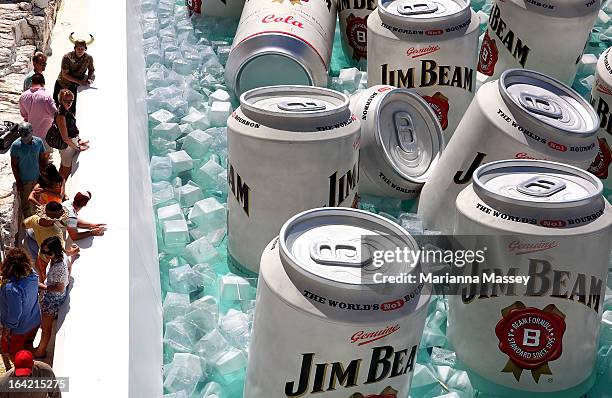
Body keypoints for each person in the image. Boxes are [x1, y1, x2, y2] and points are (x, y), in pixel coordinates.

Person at [0, 248, 41, 361]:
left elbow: (15, 313)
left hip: (19, 329)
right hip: (35, 321)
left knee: (15, 354)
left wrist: (7, 330)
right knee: (27, 346)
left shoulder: (12, 289)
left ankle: (18, 372)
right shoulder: (32, 274)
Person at [34, 237, 70, 359]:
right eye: (44, 252)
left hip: (52, 301)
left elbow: (60, 288)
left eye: (49, 252)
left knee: (46, 328)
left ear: (56, 251)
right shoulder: (57, 257)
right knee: (44, 325)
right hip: (49, 296)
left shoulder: (59, 267)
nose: (46, 255)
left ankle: (40, 352)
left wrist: (43, 287)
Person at [23, 202, 77, 282]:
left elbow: (23, 225)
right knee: (48, 282)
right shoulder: (56, 232)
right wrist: (73, 251)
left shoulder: (34, 219)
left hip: (40, 257)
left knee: (41, 277)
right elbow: (60, 252)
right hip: (50, 262)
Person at [10, 123, 46, 218]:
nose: (25, 139)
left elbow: (42, 159)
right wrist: (18, 181)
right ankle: (28, 227)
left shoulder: (39, 142)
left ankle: (38, 223)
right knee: (26, 206)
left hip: (37, 180)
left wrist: (44, 177)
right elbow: (14, 165)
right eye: (23, 137)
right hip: (24, 181)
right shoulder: (15, 146)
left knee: (37, 203)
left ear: (32, 132)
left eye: (27, 136)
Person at [19, 73, 57, 161]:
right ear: (43, 83)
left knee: (32, 160)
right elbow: (55, 114)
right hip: (45, 135)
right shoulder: (46, 97)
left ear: (31, 82)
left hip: (29, 135)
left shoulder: (23, 96)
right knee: (44, 162)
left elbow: (24, 115)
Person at [53, 39, 95, 115]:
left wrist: (89, 78)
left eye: (82, 49)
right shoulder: (67, 57)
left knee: (71, 109)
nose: (80, 50)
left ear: (85, 49)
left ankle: (71, 125)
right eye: (78, 48)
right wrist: (80, 82)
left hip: (73, 86)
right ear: (74, 48)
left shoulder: (89, 58)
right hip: (61, 83)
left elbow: (91, 70)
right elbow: (65, 74)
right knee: (55, 106)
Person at [56, 89, 89, 180]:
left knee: (65, 168)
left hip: (71, 144)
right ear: (60, 100)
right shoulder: (61, 115)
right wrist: (78, 148)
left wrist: (78, 140)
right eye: (65, 101)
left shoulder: (66, 111)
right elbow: (65, 138)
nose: (68, 103)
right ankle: (59, 190)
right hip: (67, 147)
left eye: (70, 101)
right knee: (65, 170)